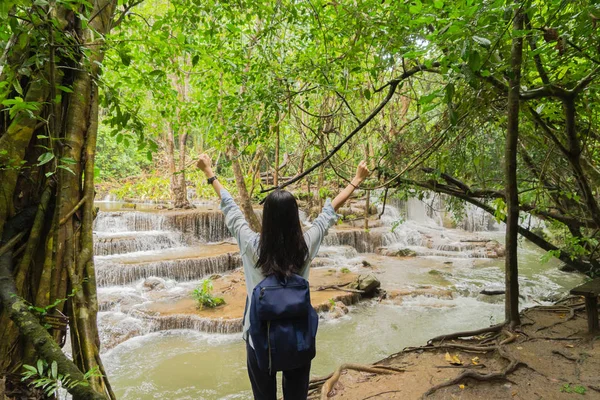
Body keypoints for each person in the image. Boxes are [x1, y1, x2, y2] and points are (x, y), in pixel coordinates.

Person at [197, 154, 370, 400]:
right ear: (294, 218)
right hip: (298, 336)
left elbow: (231, 208)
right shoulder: (305, 246)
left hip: (258, 339)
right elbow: (329, 213)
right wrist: (356, 179)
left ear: (266, 218)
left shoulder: (251, 245)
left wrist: (209, 172)